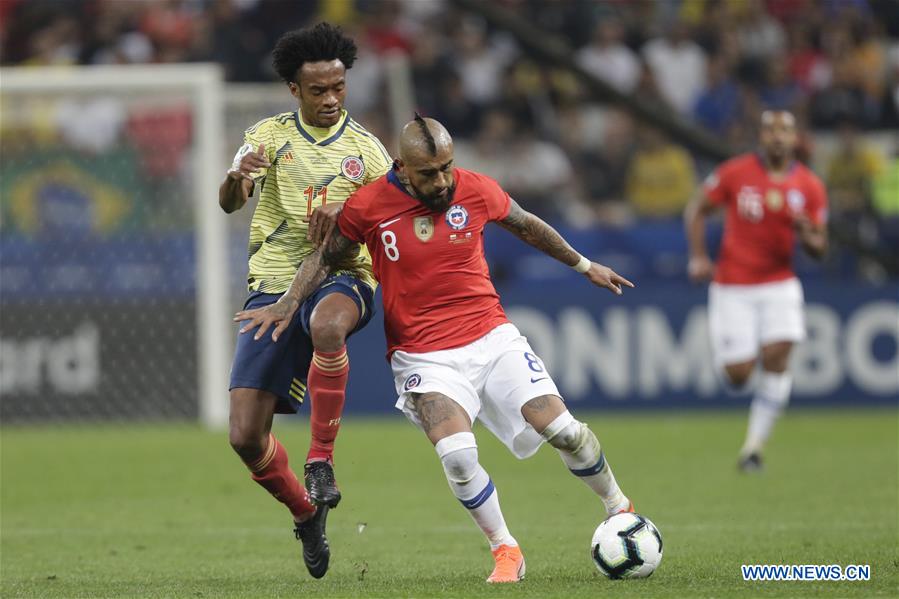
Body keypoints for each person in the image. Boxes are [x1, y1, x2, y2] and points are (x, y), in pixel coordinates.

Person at [236, 115, 635, 583]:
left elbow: (526, 225)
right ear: (402, 168)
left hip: (492, 337)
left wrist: (584, 265)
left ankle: (619, 507)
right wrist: (288, 302)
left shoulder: (476, 188)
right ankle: (506, 550)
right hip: (423, 355)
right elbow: (324, 258)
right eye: (429, 173)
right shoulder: (369, 205)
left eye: (447, 167)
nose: (442, 181)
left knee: (565, 432)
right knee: (458, 456)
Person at [219, 22, 392, 578]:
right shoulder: (267, 137)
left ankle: (321, 460)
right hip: (271, 284)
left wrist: (349, 217)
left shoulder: (367, 152)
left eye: (338, 87)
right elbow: (231, 201)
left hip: (344, 275)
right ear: (295, 89)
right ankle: (304, 512)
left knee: (327, 326)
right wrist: (235, 178)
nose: (331, 98)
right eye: (318, 90)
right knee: (246, 437)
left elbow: (387, 225)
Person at [683, 110, 828, 472]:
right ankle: (732, 361)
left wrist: (807, 235)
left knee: (778, 355)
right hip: (733, 285)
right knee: (739, 374)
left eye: (784, 130)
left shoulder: (809, 185)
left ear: (795, 138)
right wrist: (698, 256)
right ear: (760, 137)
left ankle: (753, 448)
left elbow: (820, 247)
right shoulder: (735, 172)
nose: (777, 136)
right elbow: (697, 208)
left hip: (780, 282)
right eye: (770, 130)